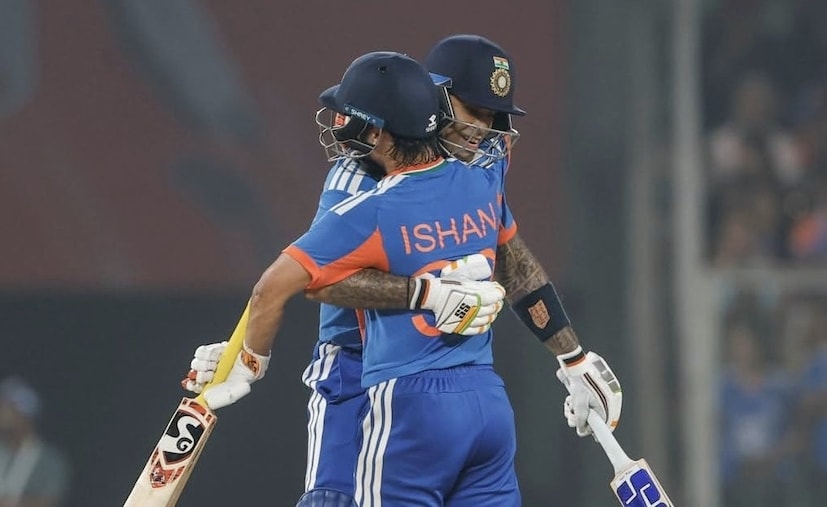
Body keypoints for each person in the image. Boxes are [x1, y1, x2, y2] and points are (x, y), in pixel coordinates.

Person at [188, 36, 624, 505]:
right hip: (354, 372)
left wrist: (573, 357)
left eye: (495, 116)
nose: (484, 130)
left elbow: (512, 261)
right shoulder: (356, 180)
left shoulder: (483, 164)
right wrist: (428, 294)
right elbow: (322, 283)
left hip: (436, 382)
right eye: (474, 111)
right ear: (433, 96)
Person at [0, 377, 70, 507]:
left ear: (26, 414)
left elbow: (49, 502)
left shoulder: (50, 461)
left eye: (8, 408)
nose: (2, 413)